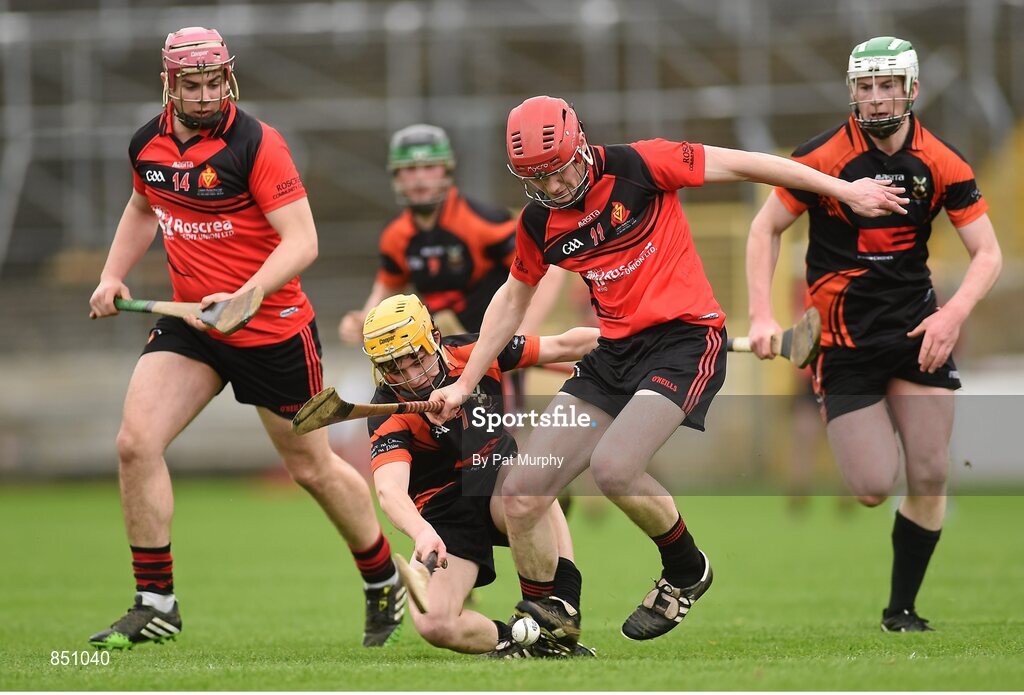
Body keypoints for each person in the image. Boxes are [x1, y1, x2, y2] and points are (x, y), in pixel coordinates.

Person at [428, 95, 909, 648]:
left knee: (614, 469)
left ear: (580, 144)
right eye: (538, 178)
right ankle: (551, 618)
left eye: (559, 170)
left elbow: (749, 162)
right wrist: (464, 383)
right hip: (612, 356)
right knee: (522, 490)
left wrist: (845, 189)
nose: (554, 188)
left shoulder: (641, 166)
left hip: (685, 342)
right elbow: (512, 298)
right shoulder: (541, 222)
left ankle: (685, 568)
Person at [87, 27, 406, 649]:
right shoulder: (146, 144)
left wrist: (249, 294)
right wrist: (111, 273)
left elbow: (303, 240)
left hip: (274, 334)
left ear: (228, 78)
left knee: (311, 469)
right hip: (195, 327)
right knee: (135, 444)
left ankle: (381, 576)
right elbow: (141, 208)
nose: (205, 96)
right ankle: (156, 602)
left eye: (214, 83)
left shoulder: (256, 144)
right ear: (168, 84)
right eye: (192, 85)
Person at [745, 37, 1001, 632]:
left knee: (932, 474)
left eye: (888, 84)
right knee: (869, 486)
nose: (877, 96)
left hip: (919, 331)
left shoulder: (943, 160)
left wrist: (952, 314)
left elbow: (987, 254)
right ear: (852, 93)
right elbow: (764, 230)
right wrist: (761, 314)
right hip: (842, 343)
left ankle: (901, 609)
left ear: (912, 90)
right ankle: (866, 425)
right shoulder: (820, 157)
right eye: (866, 85)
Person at [361, 294, 599, 657]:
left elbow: (565, 343)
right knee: (435, 623)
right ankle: (526, 642)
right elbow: (390, 490)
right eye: (395, 368)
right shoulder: (387, 412)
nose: (411, 377)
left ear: (434, 338)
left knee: (527, 485)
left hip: (499, 479)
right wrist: (422, 532)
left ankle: (560, 603)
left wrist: (636, 341)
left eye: (416, 359)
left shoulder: (477, 351)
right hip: (444, 513)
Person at [338, 123, 562, 347]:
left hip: (494, 347)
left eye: (429, 167)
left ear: (446, 170)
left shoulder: (481, 221)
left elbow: (548, 271)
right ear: (396, 176)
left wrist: (521, 337)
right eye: (410, 169)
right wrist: (364, 321)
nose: (419, 178)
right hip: (437, 351)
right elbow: (389, 285)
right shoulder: (395, 235)